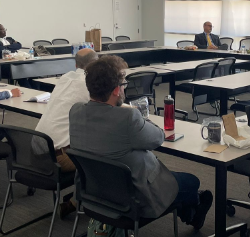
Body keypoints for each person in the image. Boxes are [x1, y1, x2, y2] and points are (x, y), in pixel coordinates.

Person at [69, 55, 213, 228]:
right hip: (135, 199)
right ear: (116, 90)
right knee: (191, 181)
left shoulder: (75, 111)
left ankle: (189, 210)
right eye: (123, 85)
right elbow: (158, 138)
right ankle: (191, 210)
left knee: (183, 187)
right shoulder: (128, 117)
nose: (124, 89)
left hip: (93, 194)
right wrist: (132, 110)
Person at [34, 48, 99, 172]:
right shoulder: (90, 83)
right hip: (59, 157)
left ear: (75, 65)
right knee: (108, 154)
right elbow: (107, 109)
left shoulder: (65, 78)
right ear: (96, 64)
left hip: (37, 148)